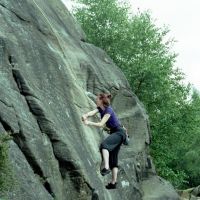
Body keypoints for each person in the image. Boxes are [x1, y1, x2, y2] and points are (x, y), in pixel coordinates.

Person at [82, 93, 128, 189]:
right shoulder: (100, 109)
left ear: (101, 101)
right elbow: (92, 112)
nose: (96, 100)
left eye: (97, 99)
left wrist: (88, 122)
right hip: (117, 133)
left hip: (119, 132)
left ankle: (106, 167)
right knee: (113, 157)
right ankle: (113, 183)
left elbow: (101, 124)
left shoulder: (108, 110)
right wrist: (86, 115)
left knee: (105, 145)